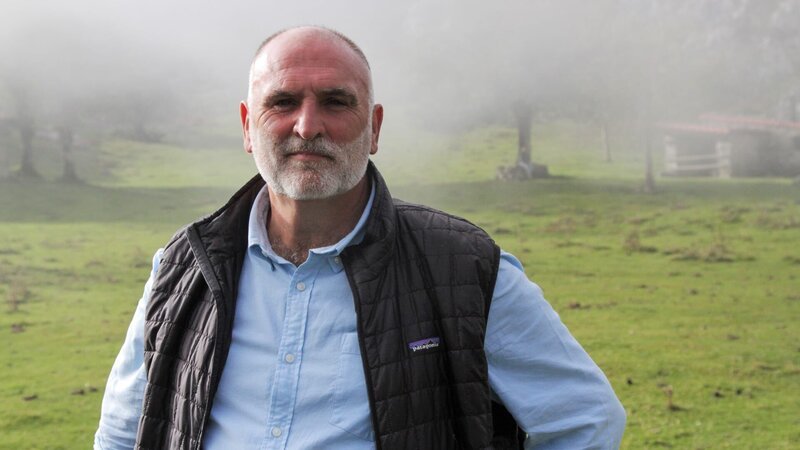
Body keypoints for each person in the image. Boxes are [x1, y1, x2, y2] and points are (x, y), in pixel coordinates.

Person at [94, 26, 626, 450]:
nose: (307, 125)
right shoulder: (182, 267)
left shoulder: (466, 269)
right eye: (281, 101)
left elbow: (586, 419)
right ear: (246, 125)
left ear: (374, 128)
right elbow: (122, 434)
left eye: (334, 101)